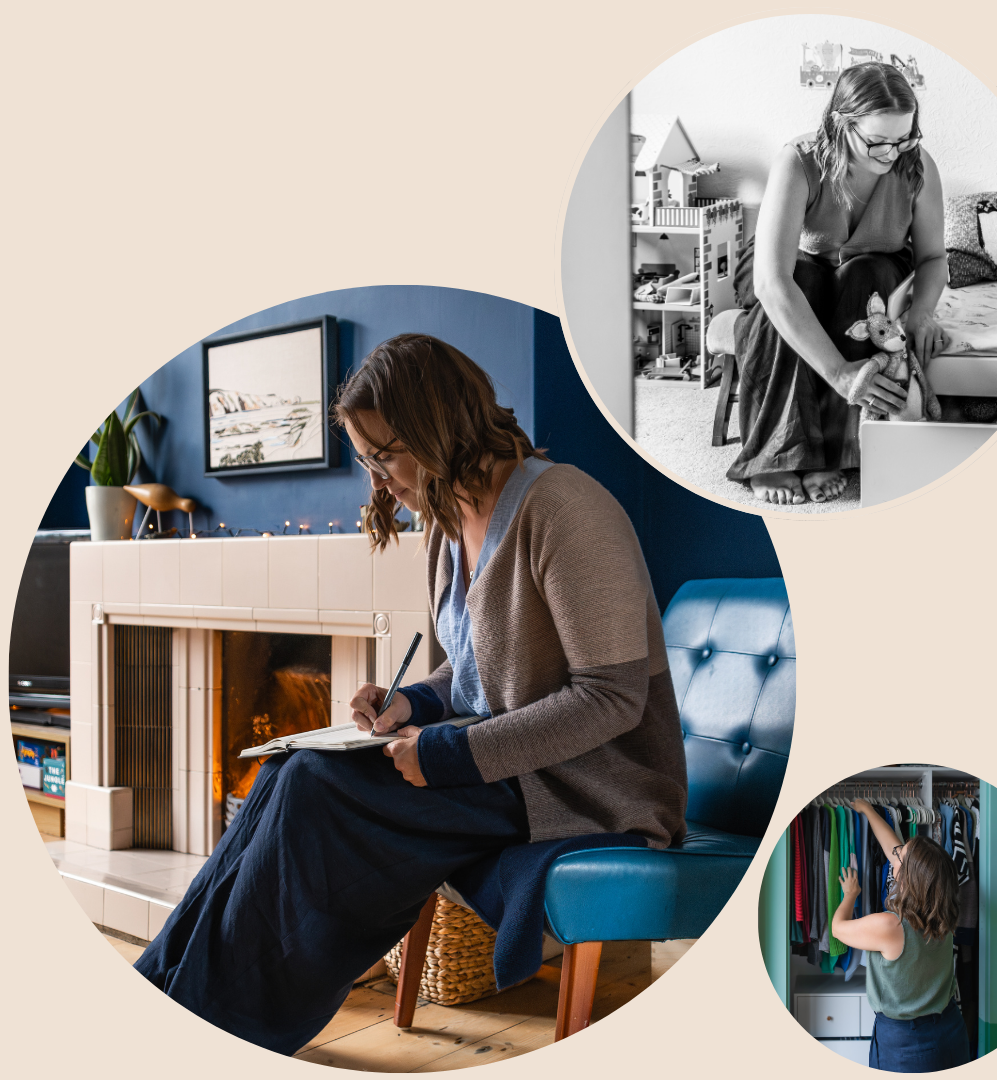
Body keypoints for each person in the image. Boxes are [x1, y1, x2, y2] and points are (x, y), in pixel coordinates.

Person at [134, 333, 688, 1055]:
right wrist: (412, 706)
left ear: (440, 426)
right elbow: (473, 668)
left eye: (386, 455)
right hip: (505, 768)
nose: (378, 479)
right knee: (285, 771)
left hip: (587, 785)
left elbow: (611, 698)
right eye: (366, 459)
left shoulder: (567, 509)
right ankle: (163, 994)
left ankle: (221, 1029)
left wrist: (446, 751)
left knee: (313, 791)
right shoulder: (448, 516)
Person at [726, 63, 951, 505]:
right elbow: (772, 281)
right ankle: (777, 454)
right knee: (801, 283)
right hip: (789, 265)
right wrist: (840, 373)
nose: (892, 153)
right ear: (841, 124)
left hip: (869, 268)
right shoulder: (798, 161)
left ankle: (833, 450)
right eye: (878, 141)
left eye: (905, 137)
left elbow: (932, 258)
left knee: (866, 278)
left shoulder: (917, 165)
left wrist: (922, 313)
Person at [831, 799, 970, 1072]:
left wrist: (850, 895)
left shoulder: (891, 927)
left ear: (908, 878)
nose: (894, 858)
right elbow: (892, 848)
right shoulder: (943, 909)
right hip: (952, 1029)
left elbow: (838, 928)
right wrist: (868, 810)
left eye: (899, 858)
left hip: (910, 1044)